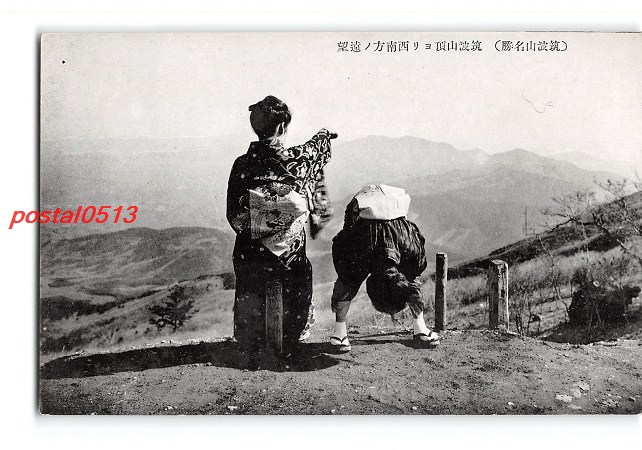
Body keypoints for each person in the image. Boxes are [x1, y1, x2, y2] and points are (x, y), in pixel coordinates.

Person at [226, 95, 336, 361]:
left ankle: (249, 336)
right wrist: (323, 135)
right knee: (302, 270)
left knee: (247, 273)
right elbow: (316, 148)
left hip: (251, 251)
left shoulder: (242, 164)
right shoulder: (300, 160)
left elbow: (233, 212)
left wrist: (258, 228)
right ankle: (296, 332)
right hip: (289, 253)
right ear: (282, 127)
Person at [329, 184, 439, 352]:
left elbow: (413, 279)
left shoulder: (411, 246)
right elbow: (344, 276)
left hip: (394, 206)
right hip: (363, 205)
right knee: (349, 279)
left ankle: (420, 328)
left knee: (410, 277)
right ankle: (340, 333)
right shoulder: (357, 245)